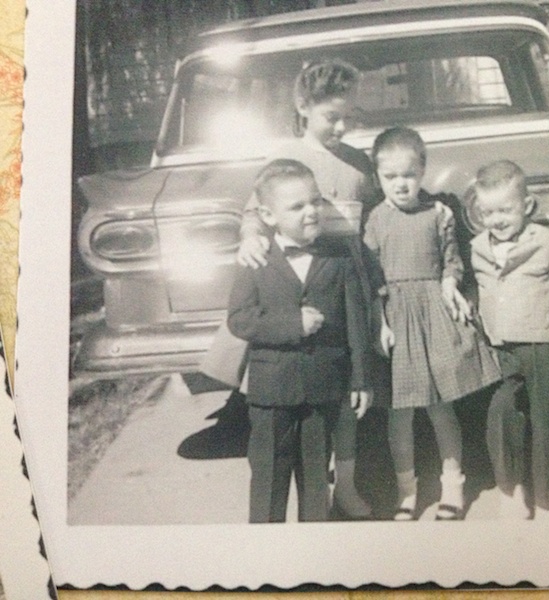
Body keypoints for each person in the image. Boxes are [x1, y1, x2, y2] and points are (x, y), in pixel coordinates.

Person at [204, 58, 379, 519]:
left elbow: (377, 218)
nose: (341, 127)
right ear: (304, 108)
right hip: (293, 283)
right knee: (305, 408)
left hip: (344, 273)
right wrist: (248, 238)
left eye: (349, 117)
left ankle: (346, 485)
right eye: (331, 117)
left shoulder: (361, 163)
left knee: (343, 396)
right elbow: (253, 210)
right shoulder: (287, 159)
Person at [364, 127, 501, 521]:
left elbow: (451, 258)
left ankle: (452, 484)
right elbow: (371, 278)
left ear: (422, 171)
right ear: (378, 177)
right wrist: (379, 322)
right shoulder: (375, 220)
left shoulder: (438, 213)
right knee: (400, 414)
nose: (401, 185)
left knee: (442, 409)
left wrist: (449, 283)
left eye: (408, 175)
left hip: (433, 315)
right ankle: (407, 491)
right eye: (390, 177)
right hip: (396, 319)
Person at [227, 159, 372, 523]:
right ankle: (266, 560)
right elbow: (239, 319)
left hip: (324, 388)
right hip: (271, 393)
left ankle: (312, 558)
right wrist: (293, 323)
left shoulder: (338, 259)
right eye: (297, 206)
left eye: (316, 201)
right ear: (268, 215)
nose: (311, 212)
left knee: (315, 482)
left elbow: (356, 322)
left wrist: (360, 379)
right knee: (268, 480)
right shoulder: (254, 258)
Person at [469, 160, 549, 520]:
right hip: (500, 346)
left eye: (505, 210)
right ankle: (511, 491)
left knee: (548, 420)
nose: (497, 219)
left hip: (542, 344)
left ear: (526, 206)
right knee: (502, 416)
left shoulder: (548, 241)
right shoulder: (478, 247)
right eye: (489, 212)